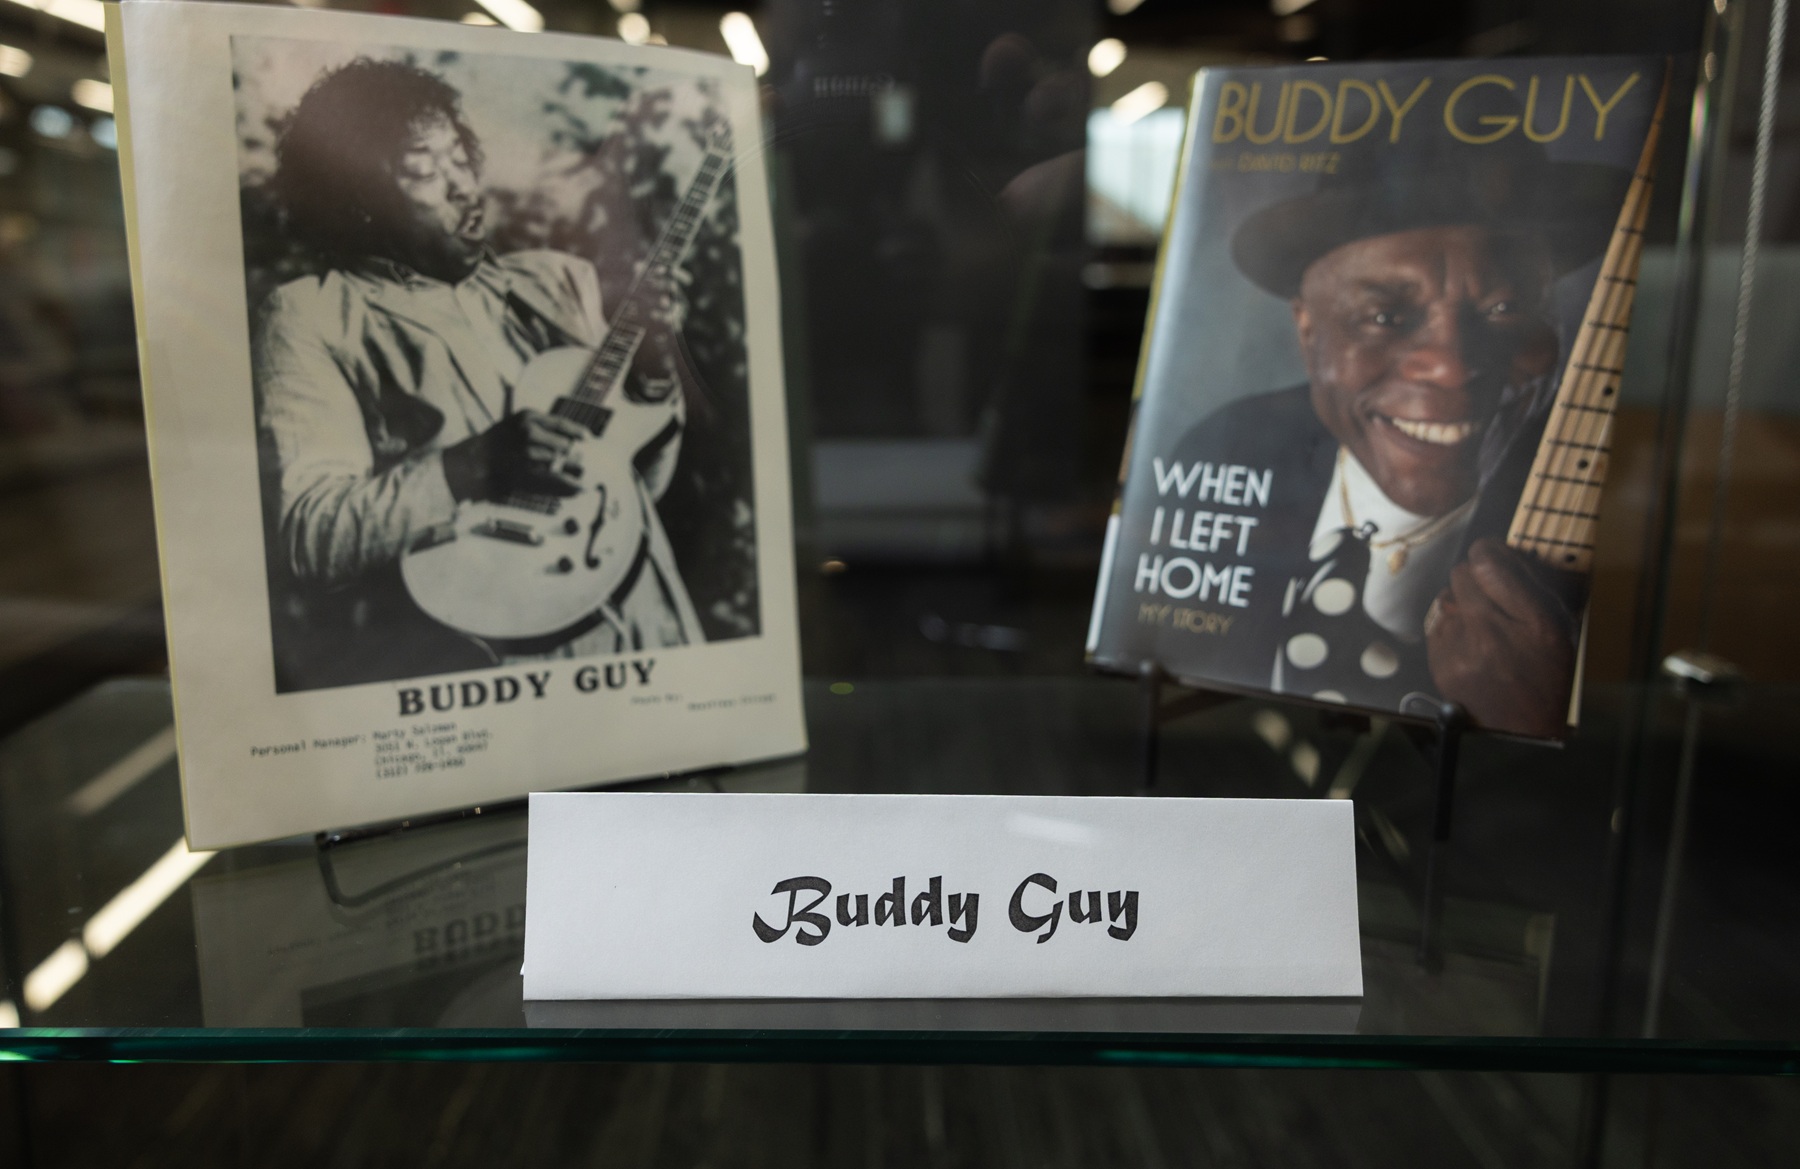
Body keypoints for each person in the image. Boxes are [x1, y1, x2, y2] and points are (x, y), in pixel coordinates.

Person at [253, 59, 700, 689]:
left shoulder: (555, 279)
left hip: (650, 631)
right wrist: (470, 466)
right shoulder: (313, 315)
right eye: (422, 170)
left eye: (460, 157)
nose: (463, 186)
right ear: (356, 200)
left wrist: (655, 372)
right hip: (502, 673)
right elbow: (311, 535)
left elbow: (632, 488)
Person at [1170, 132, 1628, 737]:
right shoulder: (1225, 450)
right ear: (1308, 329)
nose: (1451, 365)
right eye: (1385, 317)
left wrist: (1530, 723)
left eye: (1502, 309)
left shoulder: (1600, 529)